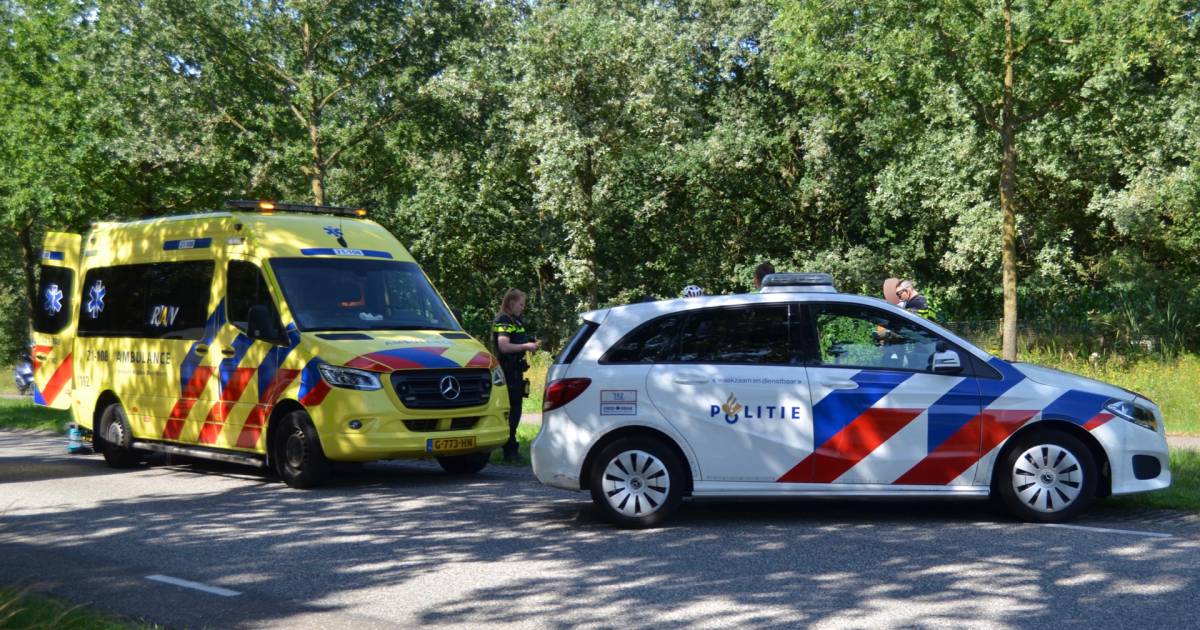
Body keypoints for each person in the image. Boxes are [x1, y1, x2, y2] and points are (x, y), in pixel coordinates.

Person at [493, 289, 539, 462]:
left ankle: (511, 446)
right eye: (521, 304)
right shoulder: (504, 321)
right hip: (507, 370)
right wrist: (526, 346)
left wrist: (529, 343)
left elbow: (517, 340)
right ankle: (509, 450)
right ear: (511, 303)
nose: (523, 307)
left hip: (516, 370)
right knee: (512, 410)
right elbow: (504, 346)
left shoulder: (516, 320)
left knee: (517, 409)